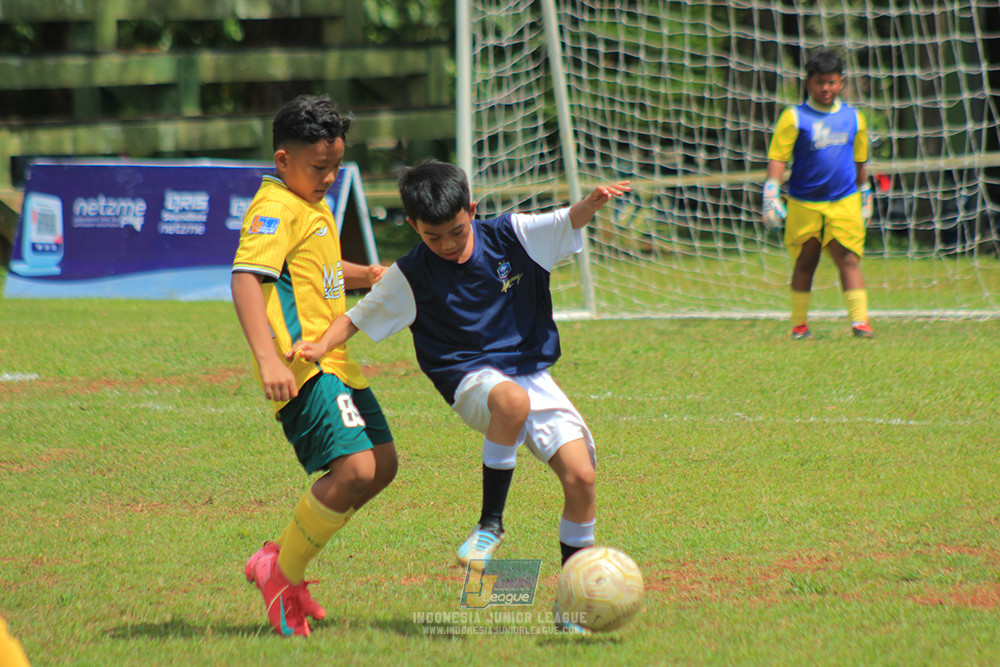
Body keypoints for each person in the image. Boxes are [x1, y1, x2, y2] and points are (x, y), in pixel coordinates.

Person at [287, 160, 629, 632]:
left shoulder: (513, 235)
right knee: (510, 402)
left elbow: (566, 221)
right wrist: (319, 345)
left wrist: (590, 205)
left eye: (456, 231)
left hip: (531, 374)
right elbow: (356, 317)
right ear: (413, 227)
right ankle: (490, 525)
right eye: (433, 237)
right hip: (470, 379)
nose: (447, 245)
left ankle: (572, 605)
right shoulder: (411, 274)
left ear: (472, 209)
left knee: (582, 478)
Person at [231, 95, 397, 638]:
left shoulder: (310, 203)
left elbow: (318, 270)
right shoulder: (275, 207)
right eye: (318, 167)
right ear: (283, 161)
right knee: (354, 471)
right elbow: (246, 279)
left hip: (337, 360)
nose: (328, 177)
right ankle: (282, 574)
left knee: (383, 464)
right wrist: (266, 361)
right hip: (303, 367)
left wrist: (366, 275)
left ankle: (279, 560)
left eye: (335, 166)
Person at [763, 47, 873, 339]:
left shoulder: (853, 118)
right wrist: (771, 191)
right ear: (808, 82)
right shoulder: (795, 117)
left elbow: (860, 160)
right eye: (820, 82)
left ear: (841, 82)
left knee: (849, 258)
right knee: (806, 260)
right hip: (805, 202)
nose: (826, 88)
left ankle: (860, 323)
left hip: (845, 200)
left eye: (831, 81)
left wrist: (866, 192)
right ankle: (800, 325)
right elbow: (778, 157)